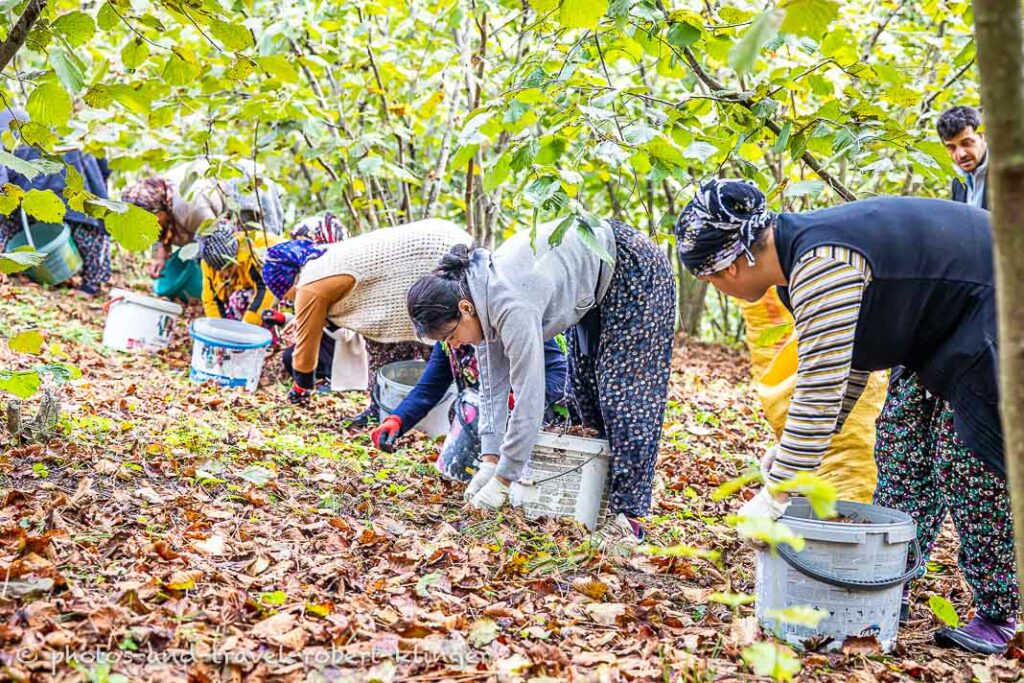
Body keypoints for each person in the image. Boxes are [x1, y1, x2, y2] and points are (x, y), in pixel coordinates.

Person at [676, 179, 1016, 655]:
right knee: (901, 449)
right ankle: (887, 584)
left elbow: (819, 390)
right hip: (935, 333)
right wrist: (786, 456)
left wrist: (775, 497)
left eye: (708, 279)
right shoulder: (800, 267)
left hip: (997, 306)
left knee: (970, 461)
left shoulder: (820, 265)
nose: (716, 289)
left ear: (728, 265)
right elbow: (849, 366)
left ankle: (1001, 614)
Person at [405, 217, 675, 549]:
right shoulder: (477, 297)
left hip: (630, 267)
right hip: (594, 287)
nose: (455, 347)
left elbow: (528, 396)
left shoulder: (509, 303)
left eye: (450, 336)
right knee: (585, 394)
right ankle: (601, 507)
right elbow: (492, 387)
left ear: (464, 309)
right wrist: (489, 461)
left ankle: (629, 521)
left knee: (625, 398)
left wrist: (505, 479)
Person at [261, 219, 472, 411]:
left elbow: (305, 352)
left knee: (445, 335)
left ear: (286, 281)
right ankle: (381, 407)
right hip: (441, 238)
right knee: (384, 340)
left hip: (432, 254)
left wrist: (301, 387)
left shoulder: (308, 284)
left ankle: (459, 407)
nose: (287, 300)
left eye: (284, 294)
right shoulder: (321, 259)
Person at [370, 338, 570, 481]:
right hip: (482, 428)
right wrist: (397, 420)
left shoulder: (514, 326)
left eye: (451, 335)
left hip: (534, 428)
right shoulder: (449, 340)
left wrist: (516, 400)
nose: (452, 344)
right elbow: (429, 388)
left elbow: (561, 375)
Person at [0, 110, 113, 296]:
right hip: (58, 157)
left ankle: (93, 284)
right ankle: (21, 268)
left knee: (82, 221)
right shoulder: (12, 117)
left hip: (66, 161)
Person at [122, 162, 285, 284]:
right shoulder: (155, 193)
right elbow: (161, 230)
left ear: (161, 209)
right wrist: (160, 255)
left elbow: (218, 246)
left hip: (245, 184)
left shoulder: (190, 206)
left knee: (259, 250)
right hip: (211, 190)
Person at [199, 224, 280, 325]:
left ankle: (272, 337)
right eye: (221, 270)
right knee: (235, 302)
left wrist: (248, 325)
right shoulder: (208, 262)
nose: (226, 273)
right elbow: (211, 300)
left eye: (229, 267)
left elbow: (267, 289)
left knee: (240, 299)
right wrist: (218, 329)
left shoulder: (250, 252)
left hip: (286, 284)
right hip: (251, 289)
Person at [937, 105, 989, 210]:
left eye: (966, 143)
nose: (961, 154)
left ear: (983, 137)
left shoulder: (1007, 174)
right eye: (951, 147)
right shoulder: (958, 181)